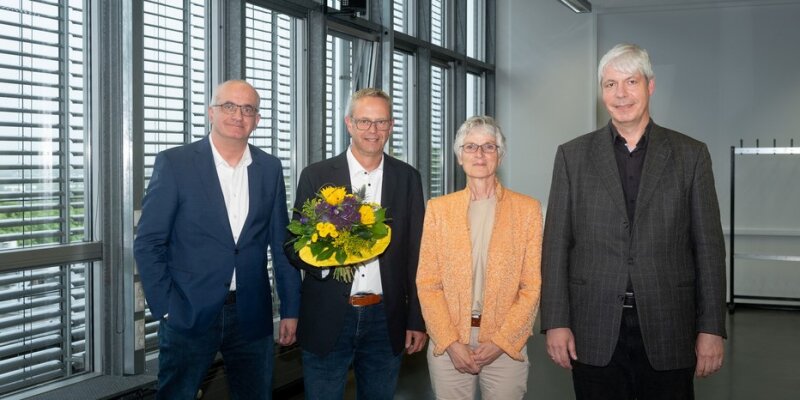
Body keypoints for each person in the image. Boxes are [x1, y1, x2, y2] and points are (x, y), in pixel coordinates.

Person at [540, 43, 727, 399]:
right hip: (593, 328)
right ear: (601, 92)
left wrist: (711, 328)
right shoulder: (571, 156)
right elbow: (556, 246)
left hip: (669, 326)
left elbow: (708, 248)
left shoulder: (691, 155)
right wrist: (556, 322)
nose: (621, 94)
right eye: (610, 84)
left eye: (631, 82)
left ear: (650, 86)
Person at [134, 79, 301, 399]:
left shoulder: (270, 168)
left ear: (257, 119)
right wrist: (167, 309)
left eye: (247, 109)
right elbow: (148, 242)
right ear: (211, 112)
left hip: (252, 314)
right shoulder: (175, 163)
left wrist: (291, 309)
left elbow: (282, 244)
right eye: (229, 106)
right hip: (187, 312)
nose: (238, 115)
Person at [286, 88, 427, 400]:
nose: (373, 130)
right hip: (326, 315)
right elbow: (293, 244)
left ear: (391, 126)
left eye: (381, 122)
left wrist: (417, 319)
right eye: (364, 121)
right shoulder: (317, 175)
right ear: (349, 123)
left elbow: (418, 253)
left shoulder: (408, 178)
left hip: (386, 319)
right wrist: (326, 262)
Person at [416, 116, 543, 400]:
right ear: (459, 156)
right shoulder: (438, 210)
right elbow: (428, 283)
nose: (480, 154)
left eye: (489, 146)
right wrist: (450, 342)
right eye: (471, 147)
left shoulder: (527, 210)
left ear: (500, 155)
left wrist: (501, 341)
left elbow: (531, 286)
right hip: (449, 342)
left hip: (505, 343)